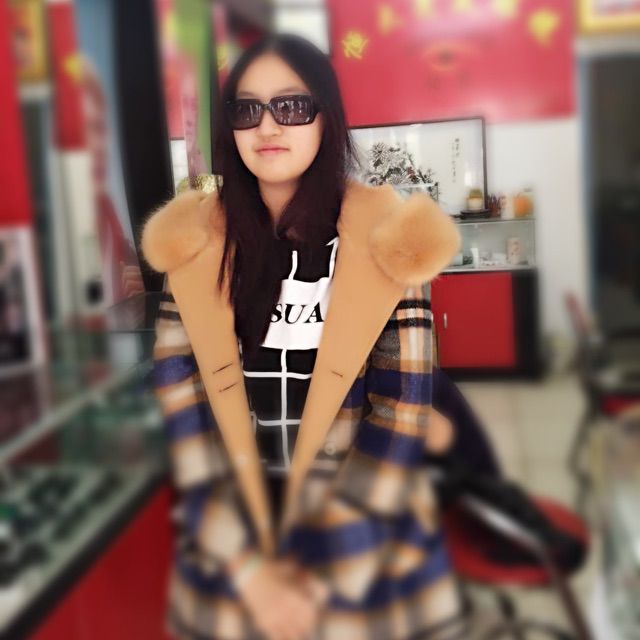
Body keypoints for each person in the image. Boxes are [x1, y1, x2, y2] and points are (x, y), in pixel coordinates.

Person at [141, 33, 464, 640]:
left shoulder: (390, 237)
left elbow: (402, 412)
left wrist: (317, 581)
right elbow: (182, 413)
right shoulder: (193, 243)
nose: (268, 126)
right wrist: (250, 575)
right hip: (236, 546)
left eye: (291, 106)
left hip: (363, 544)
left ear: (326, 118)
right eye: (247, 109)